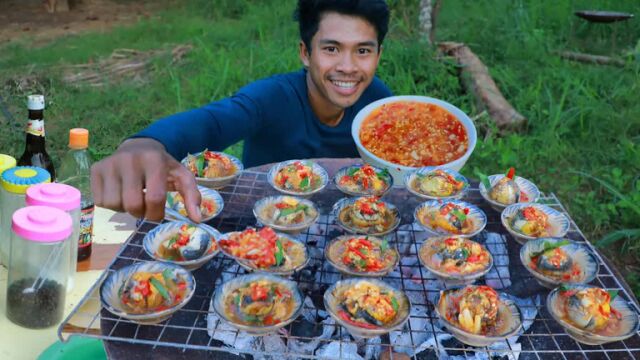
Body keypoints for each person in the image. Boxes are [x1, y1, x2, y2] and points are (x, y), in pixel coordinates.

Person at [91, 0, 392, 222]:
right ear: (305, 53)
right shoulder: (273, 97)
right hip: (261, 229)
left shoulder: (381, 105)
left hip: (351, 227)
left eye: (363, 51)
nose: (348, 67)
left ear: (378, 54)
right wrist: (146, 144)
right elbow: (215, 122)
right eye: (331, 49)